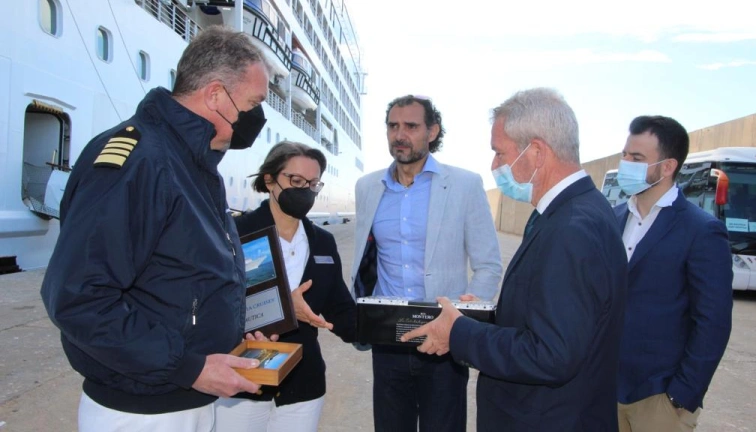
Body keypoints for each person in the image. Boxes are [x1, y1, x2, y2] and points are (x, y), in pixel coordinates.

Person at [40, 26, 269, 431]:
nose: (256, 119)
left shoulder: (194, 163)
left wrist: (233, 333)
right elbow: (78, 297)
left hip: (184, 398)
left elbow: (182, 278)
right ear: (216, 95)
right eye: (253, 104)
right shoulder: (141, 160)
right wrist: (188, 366)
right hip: (142, 413)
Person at [402, 88, 628, 432]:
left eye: (499, 152)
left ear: (536, 151)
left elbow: (552, 354)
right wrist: (481, 319)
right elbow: (558, 319)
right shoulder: (578, 210)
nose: (494, 165)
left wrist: (459, 332)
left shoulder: (572, 228)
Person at [350, 94, 502, 431]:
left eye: (411, 126)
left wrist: (462, 323)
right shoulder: (367, 187)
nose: (399, 135)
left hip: (443, 340)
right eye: (393, 126)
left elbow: (488, 265)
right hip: (387, 338)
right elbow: (365, 259)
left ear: (432, 132)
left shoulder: (464, 185)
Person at [214, 141, 357, 431]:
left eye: (313, 183)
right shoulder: (234, 234)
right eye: (296, 181)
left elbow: (340, 308)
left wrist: (387, 326)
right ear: (269, 180)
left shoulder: (323, 242)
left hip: (302, 385)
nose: (306, 190)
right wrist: (287, 309)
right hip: (242, 380)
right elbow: (213, 304)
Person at [613, 116, 733, 432]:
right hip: (603, 391)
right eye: (624, 155)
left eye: (636, 158)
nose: (626, 164)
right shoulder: (611, 220)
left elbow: (713, 321)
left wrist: (681, 395)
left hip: (659, 400)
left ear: (667, 167)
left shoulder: (702, 231)